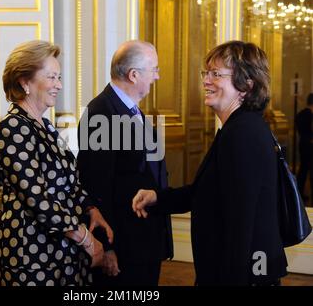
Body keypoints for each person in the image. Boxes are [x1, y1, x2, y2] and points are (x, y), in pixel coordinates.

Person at [132, 40, 288, 286]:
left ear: (246, 85)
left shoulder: (243, 134)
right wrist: (158, 198)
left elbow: (241, 222)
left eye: (217, 74)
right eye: (207, 73)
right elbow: (205, 193)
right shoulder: (237, 128)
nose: (206, 80)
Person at [0, 40, 113, 286]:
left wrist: (91, 209)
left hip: (64, 250)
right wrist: (88, 241)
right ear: (25, 82)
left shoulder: (45, 126)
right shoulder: (13, 128)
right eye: (52, 77)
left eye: (59, 77)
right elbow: (38, 200)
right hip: (31, 252)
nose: (59, 85)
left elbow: (69, 181)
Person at [77, 40, 173, 286]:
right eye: (154, 69)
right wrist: (107, 247)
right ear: (133, 75)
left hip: (144, 241)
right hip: (124, 246)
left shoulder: (132, 110)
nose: (157, 76)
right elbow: (95, 186)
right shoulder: (101, 113)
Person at [295, 93, 313, 204]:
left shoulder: (300, 114)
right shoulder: (311, 115)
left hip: (303, 144)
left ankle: (299, 193)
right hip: (310, 146)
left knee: (303, 169)